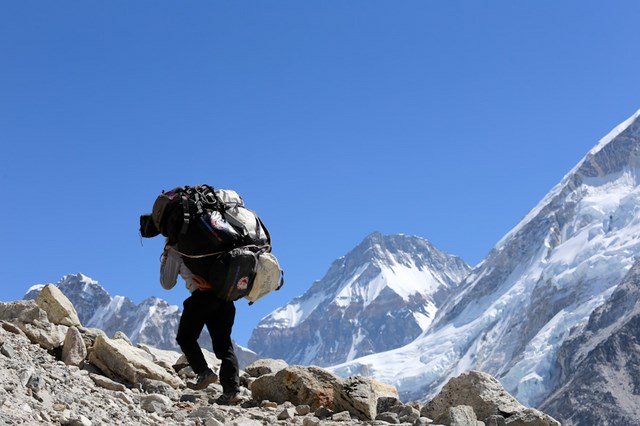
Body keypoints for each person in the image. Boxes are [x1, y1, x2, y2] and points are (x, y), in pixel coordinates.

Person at [160, 241, 242, 404]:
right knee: (224, 346)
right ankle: (232, 391)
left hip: (202, 298)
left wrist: (166, 255)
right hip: (225, 298)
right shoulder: (219, 241)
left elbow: (167, 283)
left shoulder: (177, 247)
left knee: (185, 337)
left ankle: (204, 372)